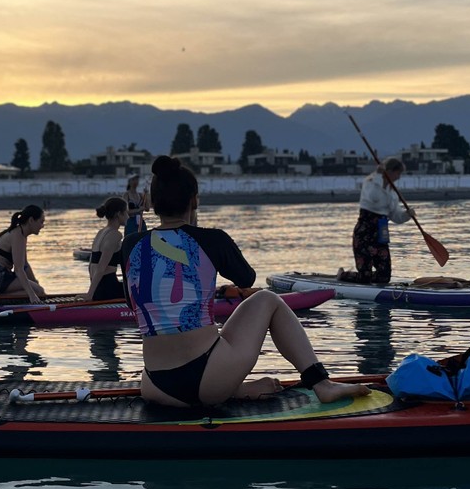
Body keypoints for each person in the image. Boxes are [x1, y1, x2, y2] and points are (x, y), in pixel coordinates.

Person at [123, 155, 370, 409]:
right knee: (268, 300)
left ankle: (235, 389)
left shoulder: (130, 244)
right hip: (205, 380)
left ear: (152, 202)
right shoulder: (211, 240)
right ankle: (322, 384)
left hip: (154, 385)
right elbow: (246, 278)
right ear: (194, 200)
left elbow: (134, 304)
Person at [339, 156, 411, 286]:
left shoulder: (393, 192)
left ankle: (363, 277)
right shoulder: (370, 182)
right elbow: (373, 198)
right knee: (364, 278)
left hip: (380, 234)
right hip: (364, 233)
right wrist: (379, 175)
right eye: (398, 173)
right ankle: (344, 275)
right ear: (389, 171)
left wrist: (407, 215)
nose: (399, 177)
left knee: (384, 277)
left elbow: (396, 216)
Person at [0, 205, 48, 301]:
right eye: (41, 222)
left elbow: (25, 265)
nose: (42, 226)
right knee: (38, 291)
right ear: (31, 220)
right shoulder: (17, 235)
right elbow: (19, 269)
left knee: (38, 291)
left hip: (3, 275)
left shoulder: (21, 235)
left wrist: (35, 283)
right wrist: (33, 294)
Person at [85, 196, 128, 301]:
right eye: (126, 212)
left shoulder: (101, 232)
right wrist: (90, 295)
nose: (128, 216)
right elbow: (101, 267)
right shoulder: (115, 235)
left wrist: (93, 291)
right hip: (108, 289)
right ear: (118, 214)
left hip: (100, 287)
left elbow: (91, 266)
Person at [124, 173, 149, 238]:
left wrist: (146, 195)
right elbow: (126, 211)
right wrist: (138, 210)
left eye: (137, 180)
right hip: (130, 222)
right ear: (129, 182)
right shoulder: (126, 195)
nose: (136, 181)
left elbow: (147, 208)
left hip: (140, 221)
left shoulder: (140, 195)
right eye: (133, 180)